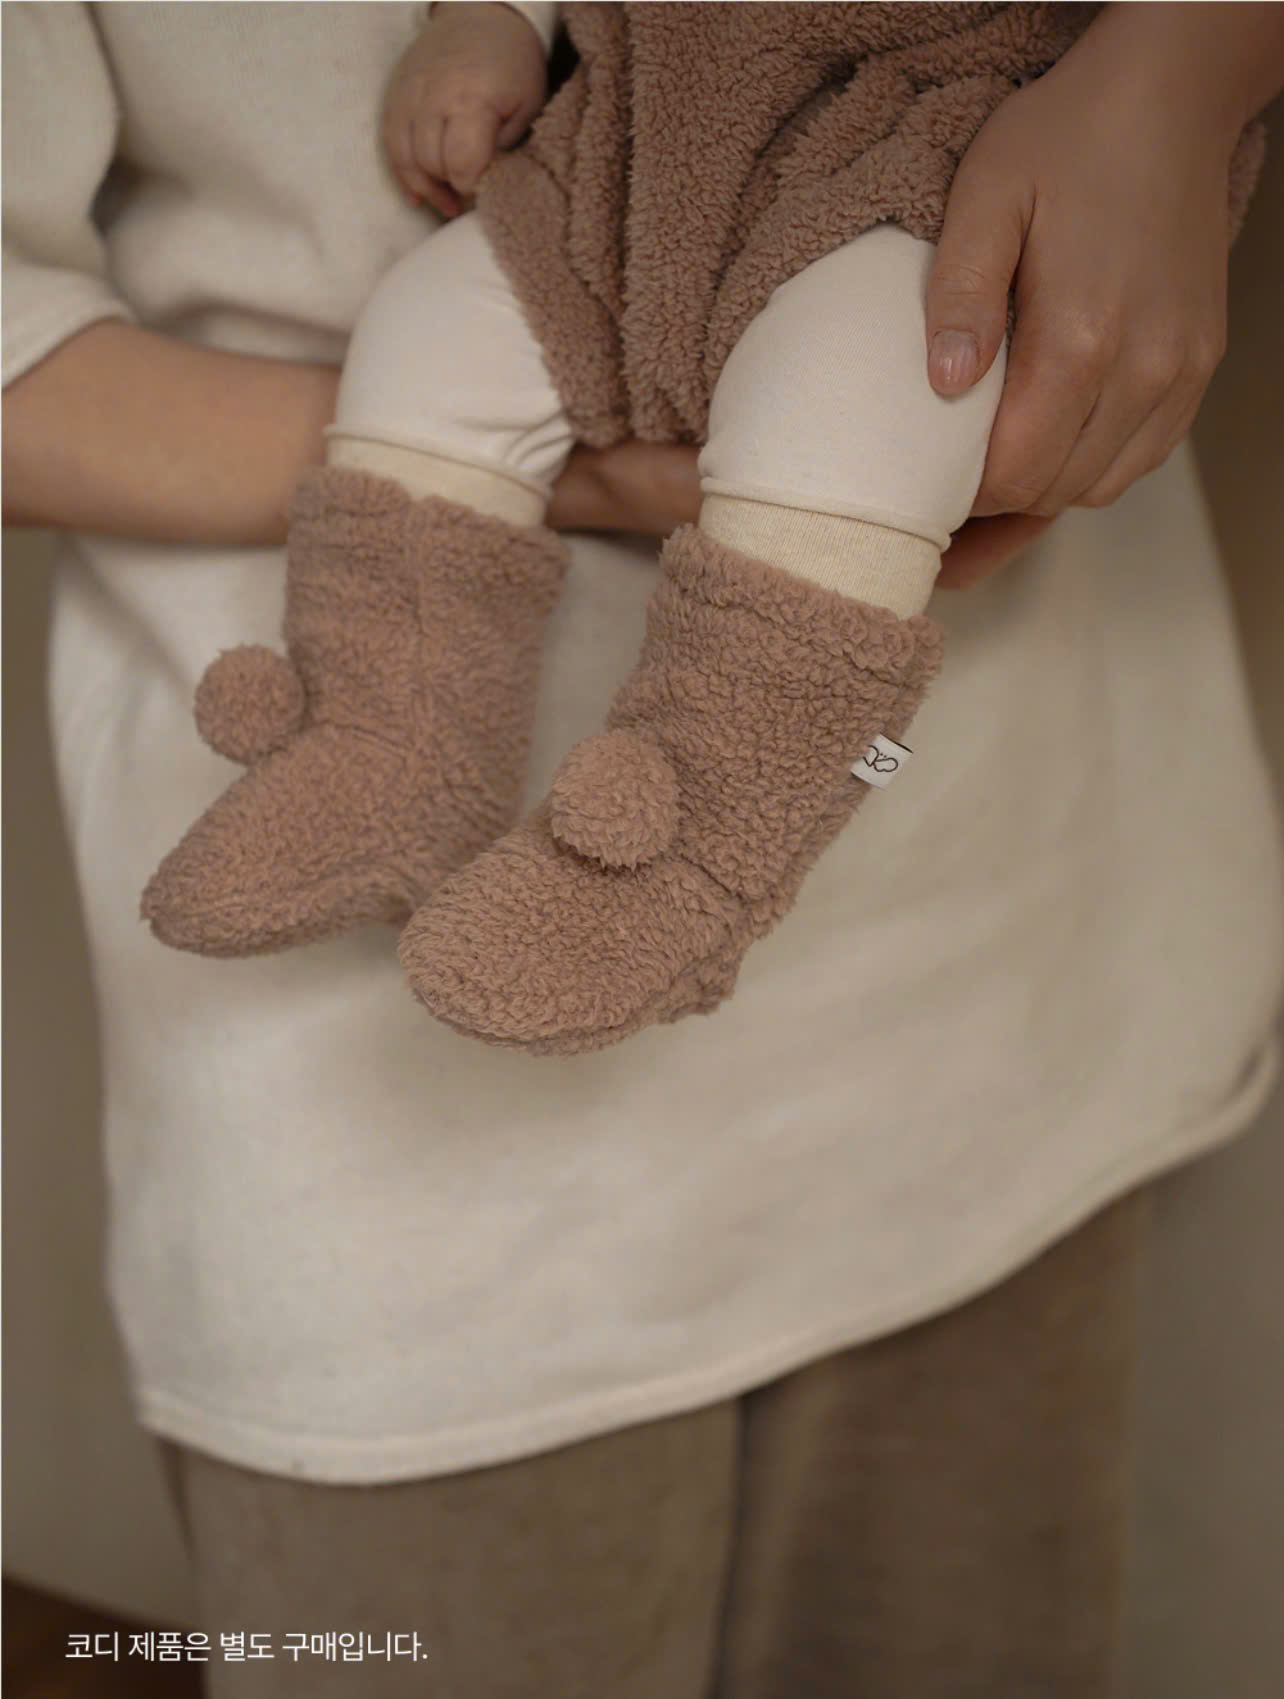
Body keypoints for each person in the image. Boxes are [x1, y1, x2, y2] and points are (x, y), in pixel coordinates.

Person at [4, 4, 1283, 1694]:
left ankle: (694, 853)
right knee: (433, 339)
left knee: (864, 390)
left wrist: (1193, 63)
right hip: (393, 1153)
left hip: (1006, 952)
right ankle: (388, 740)